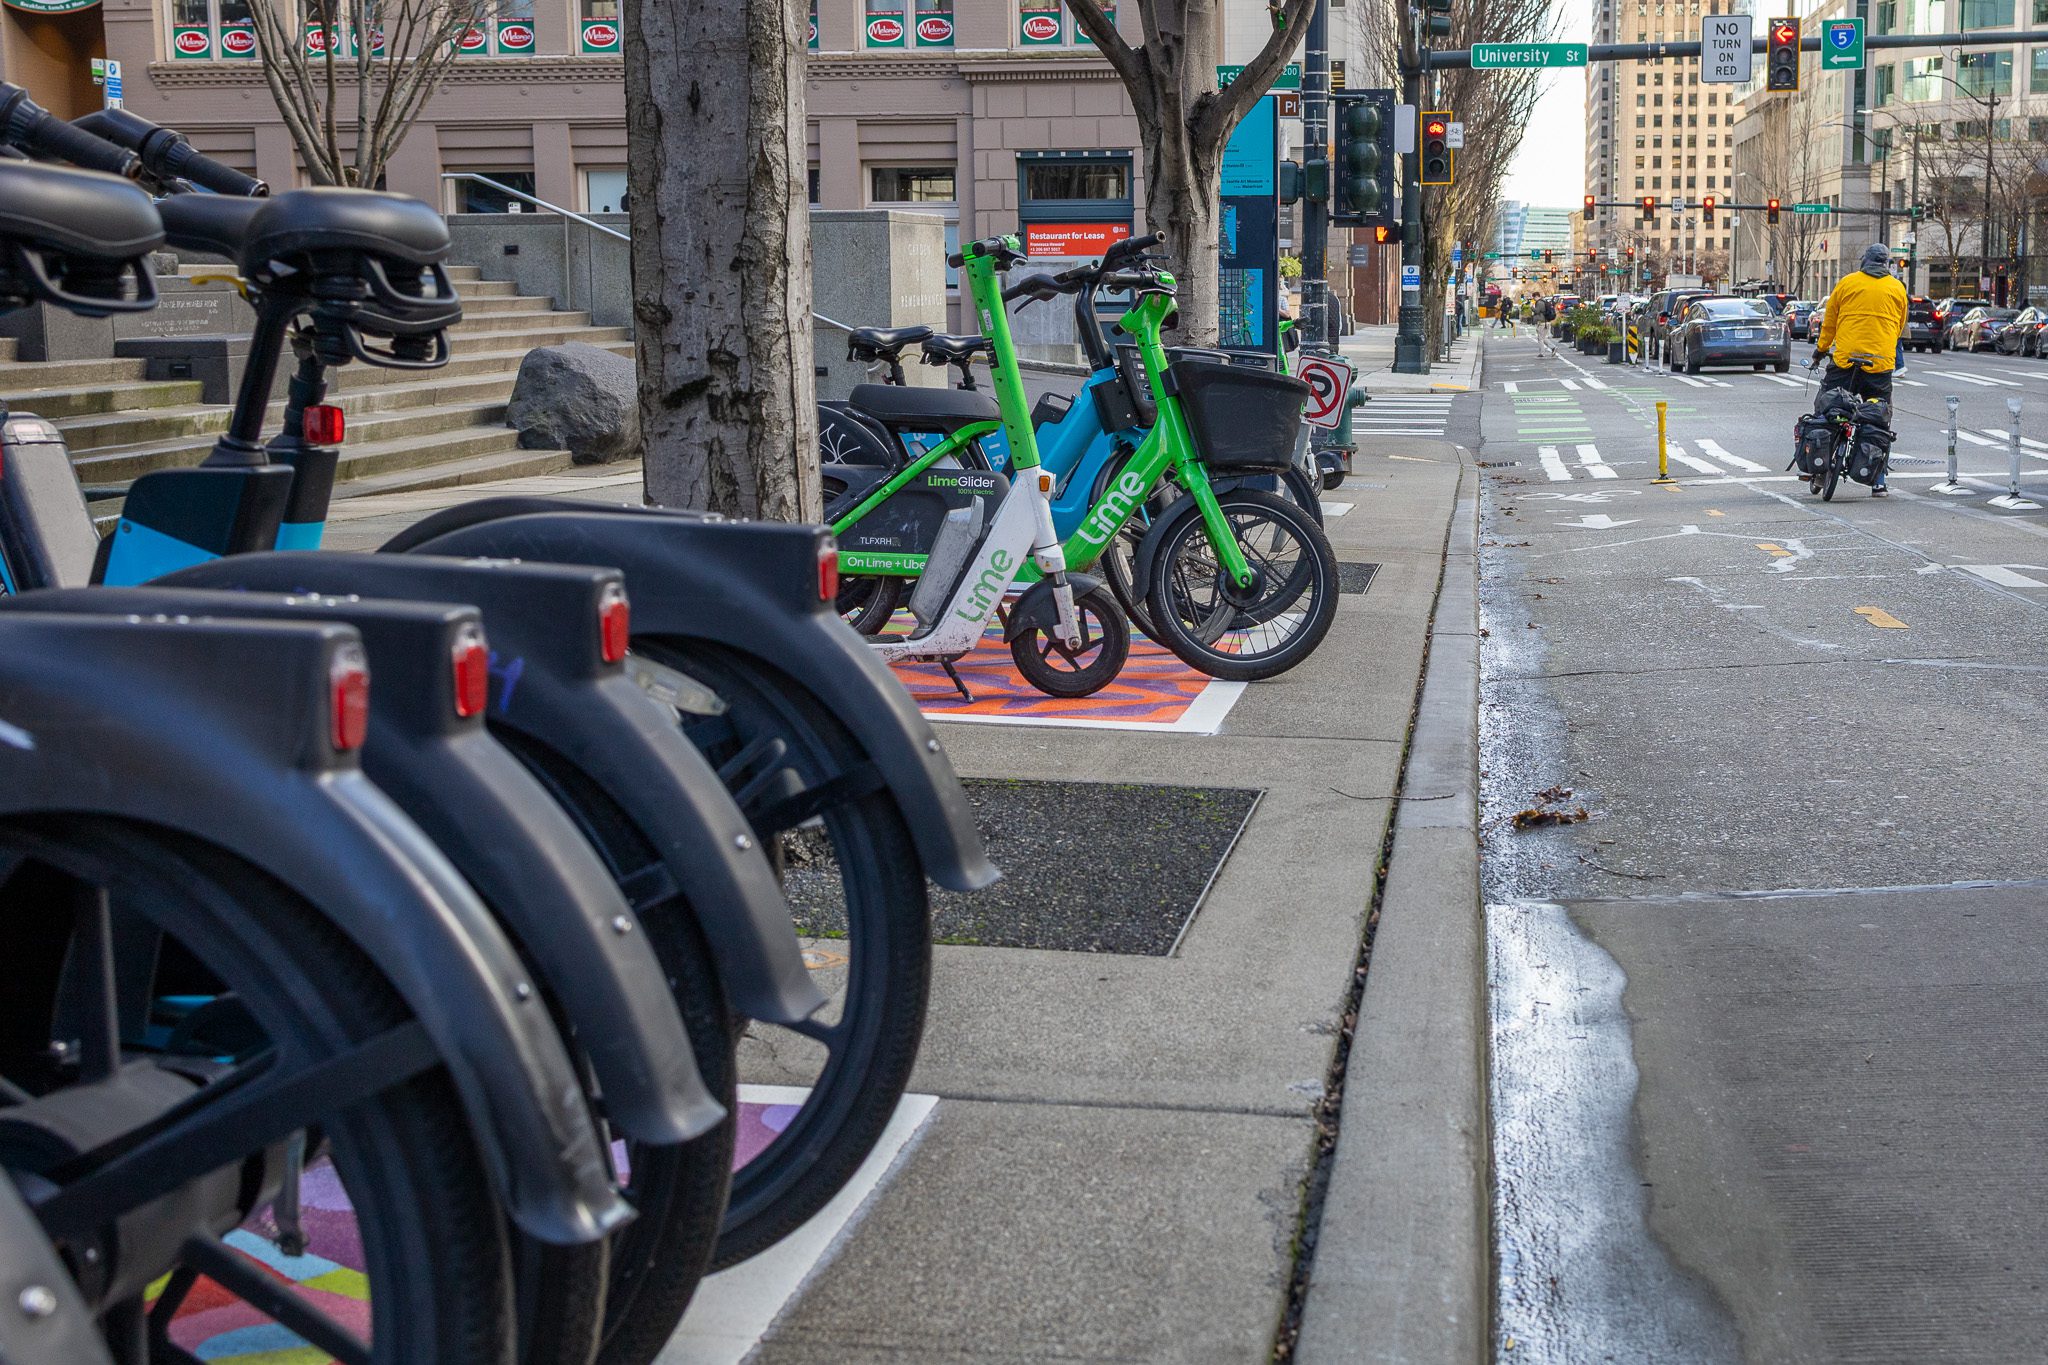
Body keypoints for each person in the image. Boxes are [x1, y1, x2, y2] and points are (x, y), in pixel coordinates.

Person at [1812, 242, 1910, 496]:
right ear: (1886, 263)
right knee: (1880, 415)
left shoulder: (1847, 283)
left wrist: (1821, 350)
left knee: (1828, 405)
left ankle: (1819, 468)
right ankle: (1878, 479)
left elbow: (1830, 322)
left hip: (1846, 361)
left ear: (1864, 261)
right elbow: (1899, 327)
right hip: (1879, 364)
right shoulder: (1897, 288)